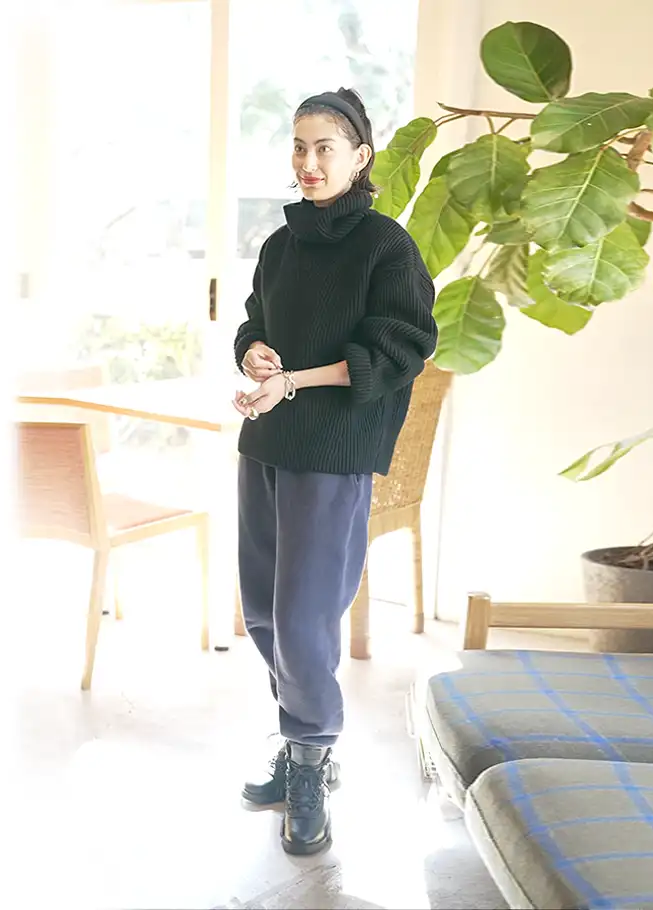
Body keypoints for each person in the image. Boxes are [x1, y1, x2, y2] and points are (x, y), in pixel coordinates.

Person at [232, 87, 438, 856]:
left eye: (325, 147)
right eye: (299, 146)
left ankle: (312, 758)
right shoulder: (280, 245)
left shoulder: (387, 247)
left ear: (361, 156)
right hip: (266, 443)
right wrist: (255, 354)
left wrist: (295, 382)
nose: (309, 162)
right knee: (262, 613)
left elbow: (398, 348)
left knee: (304, 619)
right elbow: (256, 320)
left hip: (333, 453)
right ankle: (300, 745)